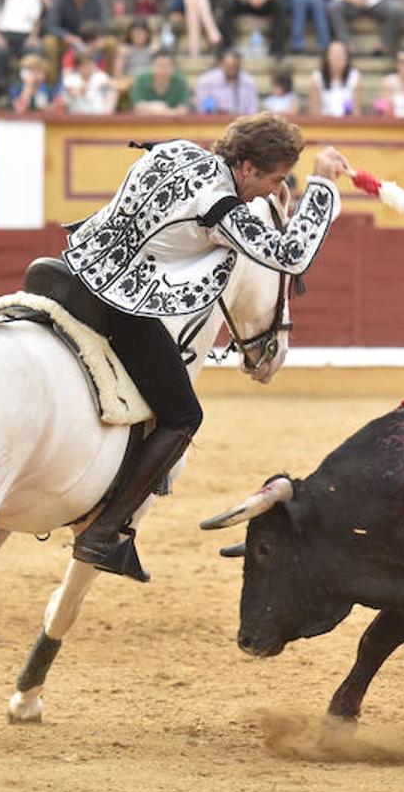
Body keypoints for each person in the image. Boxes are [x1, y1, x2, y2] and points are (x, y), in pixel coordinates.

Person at [59, 112, 349, 579]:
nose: (267, 193)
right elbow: (291, 255)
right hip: (117, 301)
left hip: (70, 267)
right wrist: (321, 186)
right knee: (183, 416)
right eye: (271, 179)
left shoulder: (175, 151)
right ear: (248, 167)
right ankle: (104, 533)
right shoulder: (220, 208)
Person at [43, 0, 109, 78]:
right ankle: (52, 83)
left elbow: (103, 22)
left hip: (91, 38)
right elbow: (51, 25)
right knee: (49, 42)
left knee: (110, 43)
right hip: (67, 39)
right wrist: (66, 36)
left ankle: (107, 80)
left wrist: (97, 38)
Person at [194, 48, 258, 113]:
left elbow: (252, 111)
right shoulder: (206, 81)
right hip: (214, 121)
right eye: (228, 66)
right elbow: (203, 110)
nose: (232, 69)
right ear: (221, 63)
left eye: (235, 66)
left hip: (242, 121)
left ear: (240, 64)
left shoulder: (249, 82)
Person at [129, 48, 191, 114]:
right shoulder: (141, 79)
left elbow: (184, 108)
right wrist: (154, 108)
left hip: (172, 122)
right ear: (152, 66)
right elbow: (137, 105)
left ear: (173, 68)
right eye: (159, 66)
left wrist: (167, 112)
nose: (162, 71)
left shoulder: (181, 81)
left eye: (166, 66)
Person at [309, 38, 359, 115]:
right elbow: (314, 112)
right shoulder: (317, 77)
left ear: (347, 58)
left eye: (341, 54)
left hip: (348, 124)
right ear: (326, 57)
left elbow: (356, 112)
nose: (337, 58)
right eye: (333, 55)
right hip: (323, 124)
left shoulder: (354, 76)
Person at [61, 47, 115, 114]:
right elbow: (74, 92)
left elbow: (116, 85)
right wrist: (84, 87)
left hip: (99, 116)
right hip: (77, 117)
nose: (90, 68)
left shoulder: (100, 76)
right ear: (79, 67)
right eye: (87, 65)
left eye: (91, 65)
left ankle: (107, 118)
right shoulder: (71, 79)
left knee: (112, 92)